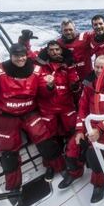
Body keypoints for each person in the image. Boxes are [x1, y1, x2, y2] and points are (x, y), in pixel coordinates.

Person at [0, 43, 64, 190]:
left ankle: (58, 168)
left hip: (29, 114)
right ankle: (13, 188)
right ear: (10, 55)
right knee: (8, 155)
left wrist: (50, 86)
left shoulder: (36, 70)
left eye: (23, 56)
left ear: (26, 55)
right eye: (16, 56)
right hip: (6, 118)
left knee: (46, 141)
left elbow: (45, 94)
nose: (20, 59)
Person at [58, 55, 104, 205]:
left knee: (95, 153)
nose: (98, 70)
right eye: (96, 66)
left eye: (102, 67)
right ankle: (75, 173)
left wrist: (99, 130)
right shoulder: (89, 84)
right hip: (91, 123)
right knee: (72, 146)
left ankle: (99, 184)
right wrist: (79, 130)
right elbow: (82, 108)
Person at [37, 40, 80, 178]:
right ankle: (52, 165)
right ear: (47, 52)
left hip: (66, 106)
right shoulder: (40, 66)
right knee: (49, 137)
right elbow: (39, 86)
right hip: (47, 108)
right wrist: (48, 86)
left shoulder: (68, 65)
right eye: (52, 50)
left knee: (74, 130)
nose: (55, 52)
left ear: (61, 51)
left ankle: (75, 159)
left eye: (57, 49)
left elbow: (75, 81)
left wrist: (75, 85)